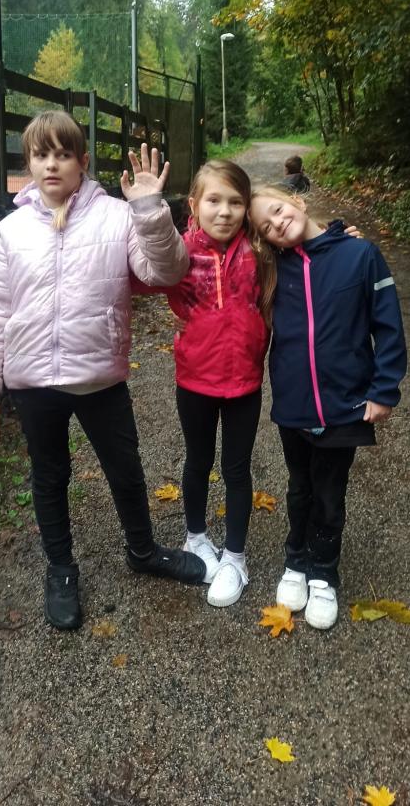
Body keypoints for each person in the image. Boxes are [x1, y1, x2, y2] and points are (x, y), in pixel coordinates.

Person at [0, 110, 206, 631]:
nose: (51, 164)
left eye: (63, 154)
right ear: (29, 163)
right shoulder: (10, 231)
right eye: (41, 155)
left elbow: (166, 272)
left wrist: (148, 209)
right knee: (49, 476)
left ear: (83, 161)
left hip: (99, 377)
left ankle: (142, 551)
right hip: (33, 384)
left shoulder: (117, 217)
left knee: (125, 469)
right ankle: (60, 569)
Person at [249, 185, 407, 629]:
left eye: (278, 210)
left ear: (297, 201)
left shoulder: (361, 255)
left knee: (329, 493)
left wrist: (384, 390)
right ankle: (295, 561)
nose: (278, 223)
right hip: (294, 406)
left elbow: (388, 326)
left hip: (345, 405)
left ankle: (323, 572)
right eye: (266, 226)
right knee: (299, 488)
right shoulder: (272, 268)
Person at [132, 160, 270, 607]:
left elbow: (305, 248)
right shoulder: (179, 252)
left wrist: (339, 237)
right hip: (194, 380)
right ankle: (195, 538)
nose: (224, 211)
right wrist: (145, 210)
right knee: (197, 461)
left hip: (245, 383)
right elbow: (136, 272)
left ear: (246, 208)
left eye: (235, 202)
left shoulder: (260, 250)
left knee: (236, 469)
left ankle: (235, 557)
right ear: (193, 205)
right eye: (214, 200)